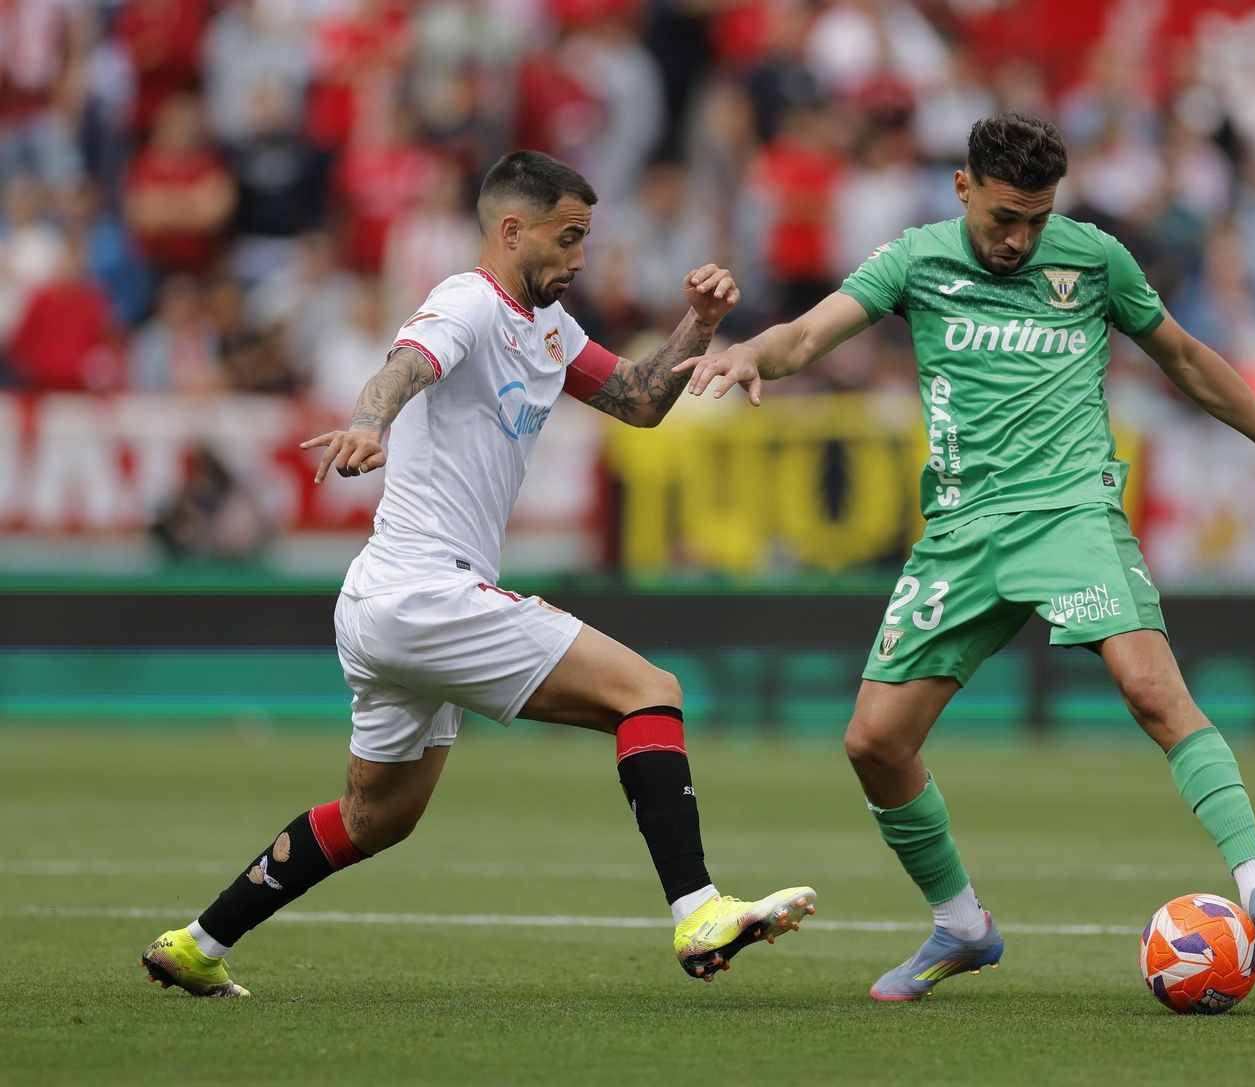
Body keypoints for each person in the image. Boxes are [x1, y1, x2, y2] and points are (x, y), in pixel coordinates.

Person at [675, 114, 1255, 1002]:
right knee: (875, 741)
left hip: (1071, 512)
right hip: (961, 530)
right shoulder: (915, 259)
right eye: (1005, 217)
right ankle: (961, 924)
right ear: (963, 188)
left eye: (1036, 219)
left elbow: (1184, 357)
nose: (1020, 238)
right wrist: (745, 354)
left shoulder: (1094, 260)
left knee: (1153, 689)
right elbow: (806, 336)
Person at [140, 150, 815, 998]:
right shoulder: (465, 301)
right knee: (649, 692)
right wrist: (367, 422)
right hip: (429, 590)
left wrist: (697, 322)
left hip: (383, 601)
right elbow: (407, 362)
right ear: (511, 230)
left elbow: (641, 401)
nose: (579, 259)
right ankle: (699, 907)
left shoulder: (549, 327)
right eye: (568, 240)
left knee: (374, 819)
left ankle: (196, 942)